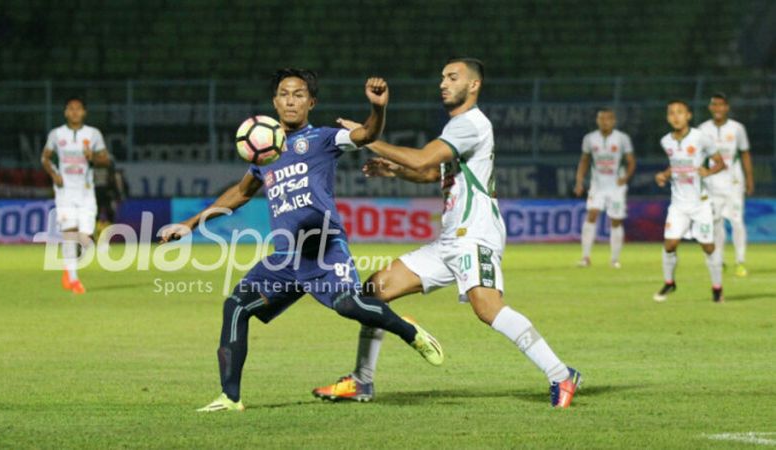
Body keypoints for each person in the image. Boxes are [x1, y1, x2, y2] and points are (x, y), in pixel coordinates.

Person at [158, 69, 444, 412]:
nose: (290, 100)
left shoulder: (323, 139)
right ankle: (229, 397)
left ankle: (407, 330)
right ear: (274, 102)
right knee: (236, 306)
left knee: (348, 305)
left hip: (323, 247)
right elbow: (240, 193)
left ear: (311, 102)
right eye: (283, 94)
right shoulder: (266, 150)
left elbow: (367, 134)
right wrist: (191, 224)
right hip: (285, 258)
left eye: (298, 94)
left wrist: (378, 109)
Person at [311, 58, 582, 408]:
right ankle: (362, 381)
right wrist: (396, 172)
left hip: (475, 234)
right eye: (442, 77)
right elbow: (434, 173)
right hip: (451, 240)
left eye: (452, 77)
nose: (443, 83)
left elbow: (424, 159)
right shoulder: (457, 126)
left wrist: (367, 139)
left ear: (473, 86)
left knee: (488, 308)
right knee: (374, 290)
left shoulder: (470, 124)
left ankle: (561, 375)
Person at [652, 100, 726, 303]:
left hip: (700, 203)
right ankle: (669, 282)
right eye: (671, 113)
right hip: (678, 204)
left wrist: (709, 171)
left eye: (680, 112)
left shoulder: (701, 138)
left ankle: (717, 288)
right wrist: (664, 175)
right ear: (668, 118)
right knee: (670, 244)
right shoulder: (666, 141)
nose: (676, 116)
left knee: (708, 247)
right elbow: (676, 165)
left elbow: (721, 162)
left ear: (688, 116)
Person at [40, 96, 110, 294]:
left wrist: (93, 157)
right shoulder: (57, 134)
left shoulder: (93, 134)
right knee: (69, 234)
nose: (75, 112)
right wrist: (54, 174)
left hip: (86, 192)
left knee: (86, 239)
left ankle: (68, 268)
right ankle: (73, 279)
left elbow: (105, 160)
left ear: (84, 112)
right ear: (65, 112)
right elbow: (44, 157)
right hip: (65, 192)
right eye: (71, 109)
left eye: (78, 109)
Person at [698, 93, 754, 277]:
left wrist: (750, 178)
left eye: (721, 105)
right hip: (712, 184)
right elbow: (698, 158)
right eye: (714, 105)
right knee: (715, 222)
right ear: (710, 107)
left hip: (734, 182)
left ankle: (740, 261)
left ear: (726, 107)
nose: (718, 108)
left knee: (737, 221)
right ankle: (719, 259)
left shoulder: (738, 128)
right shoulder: (703, 129)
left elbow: (745, 154)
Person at [573, 108, 636, 268]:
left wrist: (626, 177)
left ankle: (614, 259)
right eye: (601, 118)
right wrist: (579, 182)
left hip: (616, 186)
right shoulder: (590, 138)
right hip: (597, 185)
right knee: (592, 214)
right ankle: (585, 257)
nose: (604, 122)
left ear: (613, 121)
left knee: (615, 220)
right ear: (597, 120)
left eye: (607, 119)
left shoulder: (622, 138)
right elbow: (584, 161)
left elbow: (631, 161)